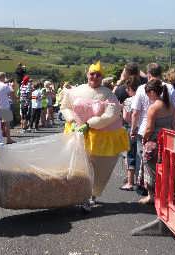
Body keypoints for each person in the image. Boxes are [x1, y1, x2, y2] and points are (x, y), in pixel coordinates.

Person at [61, 61, 129, 211]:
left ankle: (90, 195)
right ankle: (79, 194)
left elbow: (112, 114)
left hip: (99, 138)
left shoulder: (108, 94)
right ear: (87, 74)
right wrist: (71, 120)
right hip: (77, 134)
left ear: (101, 77)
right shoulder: (75, 91)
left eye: (98, 75)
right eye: (92, 74)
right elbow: (65, 107)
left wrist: (91, 124)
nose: (95, 77)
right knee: (79, 166)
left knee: (96, 168)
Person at [130, 63, 175, 195]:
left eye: (148, 94)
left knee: (148, 166)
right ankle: (165, 192)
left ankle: (150, 194)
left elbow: (136, 114)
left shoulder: (145, 95)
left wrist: (135, 131)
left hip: (150, 136)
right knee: (165, 166)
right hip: (168, 136)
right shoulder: (169, 90)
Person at [141, 79, 173, 204]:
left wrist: (144, 137)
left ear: (152, 92)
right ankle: (165, 196)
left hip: (154, 142)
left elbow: (149, 128)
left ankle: (152, 196)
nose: (148, 96)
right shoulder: (169, 105)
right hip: (168, 140)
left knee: (150, 170)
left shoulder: (153, 108)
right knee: (166, 170)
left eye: (148, 93)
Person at [120, 76, 140, 191]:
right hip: (142, 128)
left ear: (129, 88)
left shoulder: (128, 101)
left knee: (131, 154)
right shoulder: (144, 98)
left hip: (131, 128)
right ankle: (140, 180)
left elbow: (126, 118)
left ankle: (130, 181)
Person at [0, 72, 16, 144]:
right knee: (7, 123)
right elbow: (11, 95)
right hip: (5, 106)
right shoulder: (5, 86)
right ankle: (8, 139)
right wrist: (14, 99)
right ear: (3, 77)